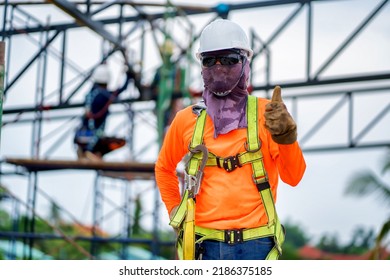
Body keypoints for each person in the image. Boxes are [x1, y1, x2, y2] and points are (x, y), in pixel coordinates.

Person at [154, 19, 306, 260]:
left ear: (245, 63)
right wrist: (176, 212)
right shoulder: (187, 120)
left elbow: (293, 177)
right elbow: (163, 168)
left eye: (228, 60)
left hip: (257, 245)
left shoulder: (268, 115)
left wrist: (287, 139)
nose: (219, 67)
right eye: (209, 61)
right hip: (204, 245)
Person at [74, 63, 132, 161]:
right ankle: (92, 152)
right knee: (120, 142)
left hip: (81, 136)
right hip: (94, 138)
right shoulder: (104, 95)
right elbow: (120, 90)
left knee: (103, 139)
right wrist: (129, 77)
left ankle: (88, 152)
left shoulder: (90, 94)